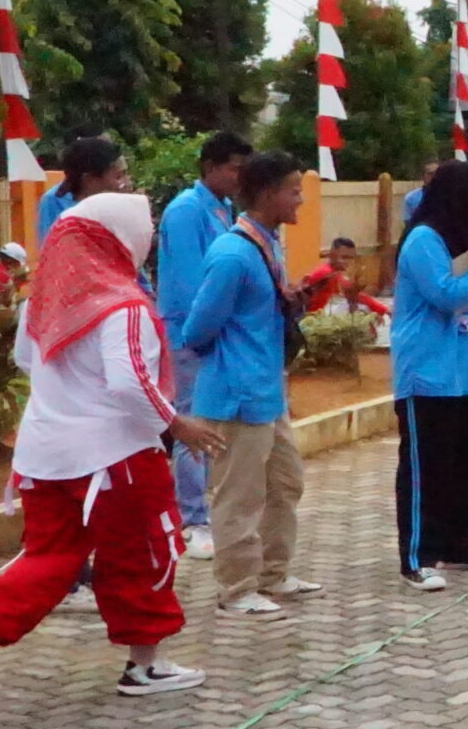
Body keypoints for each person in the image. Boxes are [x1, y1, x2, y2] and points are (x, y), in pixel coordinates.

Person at [0, 194, 223, 724]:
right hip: (116, 457)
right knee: (145, 554)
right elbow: (129, 383)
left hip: (45, 456)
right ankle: (145, 667)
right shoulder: (123, 305)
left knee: (47, 558)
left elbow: (27, 360)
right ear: (120, 238)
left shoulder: (41, 303)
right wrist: (177, 424)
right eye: (144, 228)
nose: (150, 236)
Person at [178, 151, 320, 619]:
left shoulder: (267, 245)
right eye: (293, 190)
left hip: (267, 393)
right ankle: (236, 589)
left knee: (285, 483)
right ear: (267, 193)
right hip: (236, 396)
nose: (300, 200)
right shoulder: (232, 254)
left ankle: (273, 575)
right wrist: (236, 356)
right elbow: (197, 329)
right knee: (239, 496)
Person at [391, 159, 468, 591]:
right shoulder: (423, 240)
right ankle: (417, 556)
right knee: (426, 468)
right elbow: (446, 295)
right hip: (428, 371)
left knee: (467, 464)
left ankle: (459, 543)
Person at [155, 131, 252, 558]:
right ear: (210, 167)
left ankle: (205, 510)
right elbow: (191, 283)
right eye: (234, 169)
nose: (239, 177)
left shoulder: (223, 208)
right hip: (188, 334)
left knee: (212, 421)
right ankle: (191, 520)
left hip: (216, 333)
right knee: (191, 424)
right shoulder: (185, 211)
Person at [35, 136, 131, 244]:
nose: (123, 184)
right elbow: (50, 246)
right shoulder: (54, 200)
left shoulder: (117, 203)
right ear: (90, 180)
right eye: (117, 177)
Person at [302, 239, 392, 318]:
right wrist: (384, 310)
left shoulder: (333, 272)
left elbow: (353, 294)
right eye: (344, 257)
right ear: (331, 255)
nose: (347, 262)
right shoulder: (327, 274)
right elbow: (355, 296)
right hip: (312, 320)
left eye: (350, 258)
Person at [401, 160, 440, 225]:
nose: (434, 177)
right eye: (430, 174)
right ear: (423, 176)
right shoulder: (411, 198)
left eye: (437, 173)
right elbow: (408, 222)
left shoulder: (448, 197)